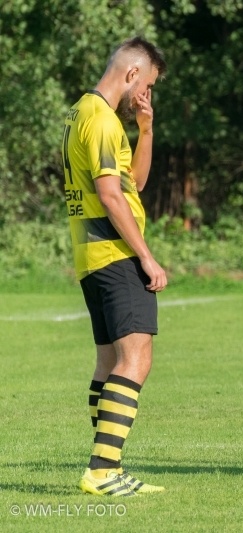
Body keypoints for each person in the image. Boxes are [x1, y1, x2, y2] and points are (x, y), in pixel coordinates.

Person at [61, 36, 168, 497]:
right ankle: (104, 469)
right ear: (130, 74)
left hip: (91, 254)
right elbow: (110, 197)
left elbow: (133, 185)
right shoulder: (102, 120)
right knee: (136, 358)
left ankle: (104, 464)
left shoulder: (84, 112)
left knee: (109, 359)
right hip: (115, 252)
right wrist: (146, 256)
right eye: (146, 85)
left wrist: (145, 128)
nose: (145, 94)